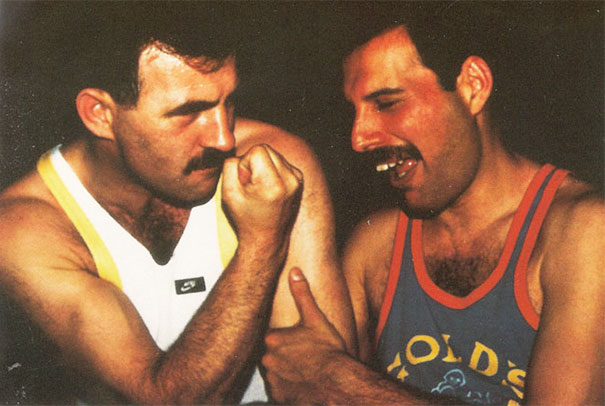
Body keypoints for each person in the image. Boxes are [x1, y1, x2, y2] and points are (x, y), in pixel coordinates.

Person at [0, 4, 355, 404]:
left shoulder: (274, 163)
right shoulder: (24, 228)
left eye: (228, 102)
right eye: (189, 112)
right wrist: (262, 243)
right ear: (99, 114)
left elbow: (327, 385)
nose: (223, 138)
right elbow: (165, 400)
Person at [262, 9, 604, 406]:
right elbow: (307, 381)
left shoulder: (583, 231)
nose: (358, 138)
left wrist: (345, 382)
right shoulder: (376, 245)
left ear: (474, 86)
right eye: (353, 112)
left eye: (386, 103)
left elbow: (331, 378)